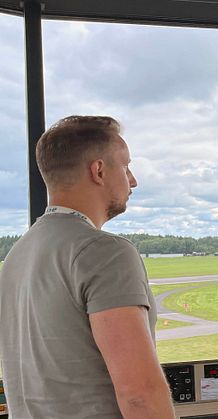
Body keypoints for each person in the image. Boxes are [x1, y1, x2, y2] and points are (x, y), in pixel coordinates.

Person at [0, 116, 175, 418]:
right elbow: (140, 395)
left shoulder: (18, 255)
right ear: (99, 170)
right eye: (125, 166)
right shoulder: (104, 252)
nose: (132, 180)